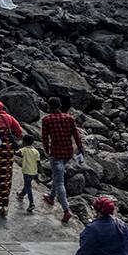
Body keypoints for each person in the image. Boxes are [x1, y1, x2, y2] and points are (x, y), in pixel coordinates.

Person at [42, 96, 85, 224]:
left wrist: (47, 151)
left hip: (56, 154)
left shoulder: (46, 120)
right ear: (60, 105)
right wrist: (80, 149)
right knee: (57, 176)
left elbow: (45, 138)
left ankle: (66, 210)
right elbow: (76, 135)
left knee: (59, 181)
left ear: (49, 107)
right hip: (68, 153)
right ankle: (51, 196)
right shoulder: (69, 118)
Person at [16, 134, 40, 214]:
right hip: (34, 172)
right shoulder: (36, 151)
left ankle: (31, 203)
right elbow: (38, 163)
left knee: (28, 186)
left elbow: (17, 153)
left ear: (25, 142)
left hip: (27, 172)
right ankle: (21, 195)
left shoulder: (24, 149)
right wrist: (38, 174)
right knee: (27, 184)